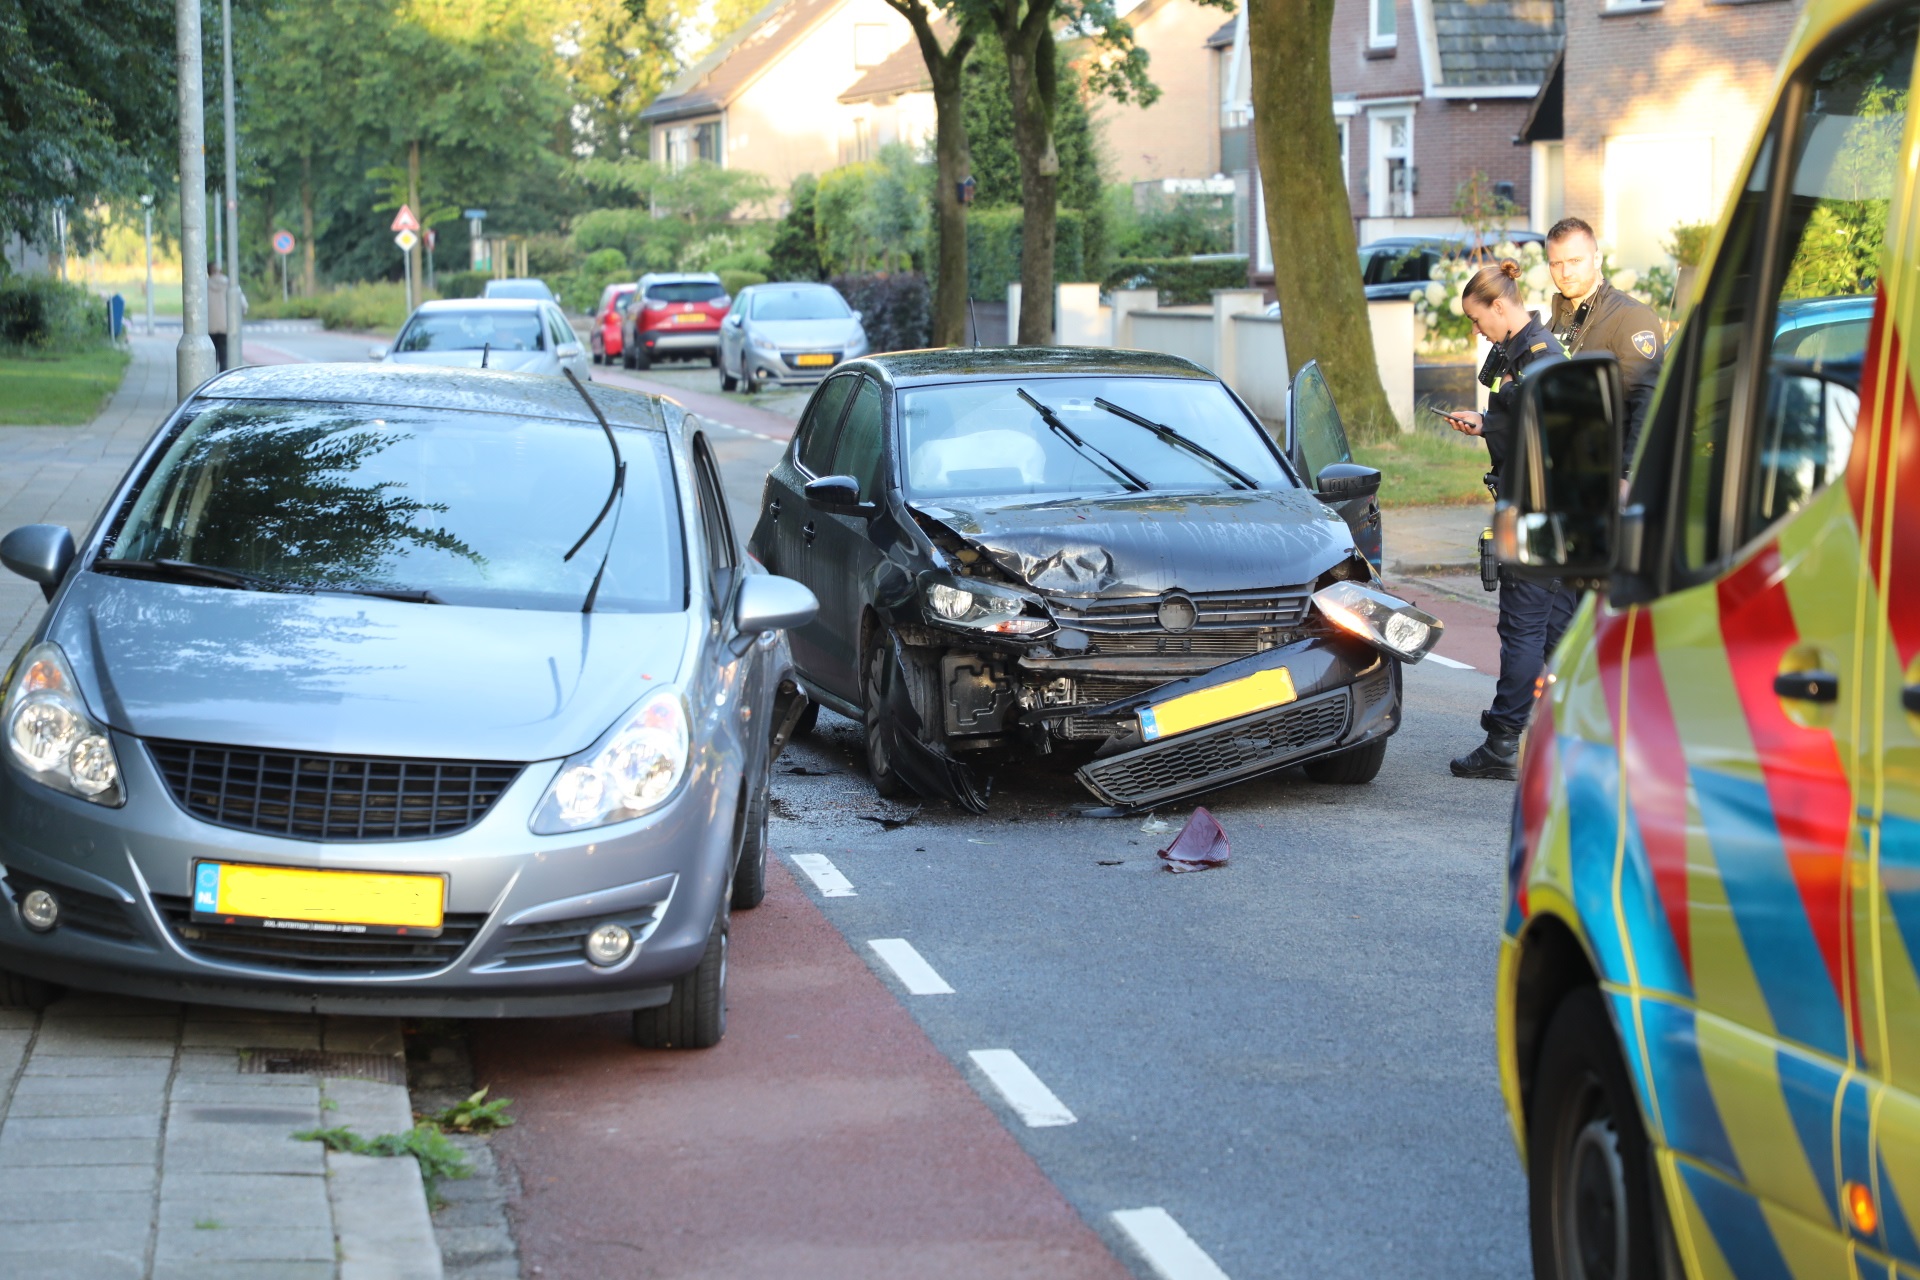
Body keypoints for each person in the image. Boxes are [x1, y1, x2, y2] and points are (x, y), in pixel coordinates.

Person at [1440, 259, 1573, 780]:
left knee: (1522, 629)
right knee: (1558, 631)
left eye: (1477, 320)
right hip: (1550, 511)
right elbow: (1522, 421)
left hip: (1534, 510)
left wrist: (1493, 427)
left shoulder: (1538, 357)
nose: (1478, 331)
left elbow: (1543, 438)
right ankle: (1568, 735)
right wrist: (1487, 424)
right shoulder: (1527, 352)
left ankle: (1501, 744)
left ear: (1500, 305)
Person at [1543, 217, 1665, 474]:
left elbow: (1647, 403)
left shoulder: (1631, 317)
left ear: (1597, 259)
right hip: (1566, 471)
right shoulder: (1559, 319)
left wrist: (1629, 476)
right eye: (1557, 263)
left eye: (1575, 261)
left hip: (1608, 475)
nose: (1565, 273)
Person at [207, 263, 247, 371]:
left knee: (211, 357)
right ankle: (222, 380)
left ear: (208, 272)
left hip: (209, 327)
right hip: (226, 326)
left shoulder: (204, 285)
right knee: (224, 358)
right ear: (220, 271)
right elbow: (243, 304)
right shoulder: (230, 284)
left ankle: (211, 380)